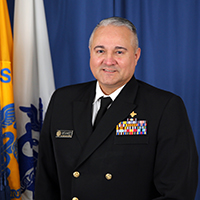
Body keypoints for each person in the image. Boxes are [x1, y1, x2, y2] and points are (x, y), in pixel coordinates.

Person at [35, 17, 198, 200]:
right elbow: (45, 185)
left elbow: (178, 193)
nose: (108, 60)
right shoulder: (62, 100)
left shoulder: (164, 107)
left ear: (136, 56)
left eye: (119, 52)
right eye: (100, 51)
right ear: (90, 53)